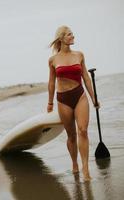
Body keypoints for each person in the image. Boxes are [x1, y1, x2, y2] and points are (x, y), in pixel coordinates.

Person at [47, 25, 100, 181]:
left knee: (83, 130)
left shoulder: (79, 55)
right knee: (71, 135)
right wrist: (50, 103)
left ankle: (85, 168)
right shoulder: (53, 60)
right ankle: (74, 163)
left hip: (80, 95)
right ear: (62, 38)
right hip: (63, 99)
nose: (73, 37)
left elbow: (86, 78)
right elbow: (51, 83)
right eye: (70, 35)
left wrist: (94, 97)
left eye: (73, 34)